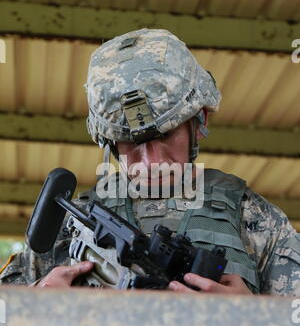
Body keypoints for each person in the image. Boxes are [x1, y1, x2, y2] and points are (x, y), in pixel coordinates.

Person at [1, 28, 299, 296]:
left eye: (167, 134)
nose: (152, 161)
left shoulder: (255, 218)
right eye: (131, 142)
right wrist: (35, 302)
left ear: (200, 120)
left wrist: (254, 317)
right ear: (110, 143)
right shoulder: (71, 226)